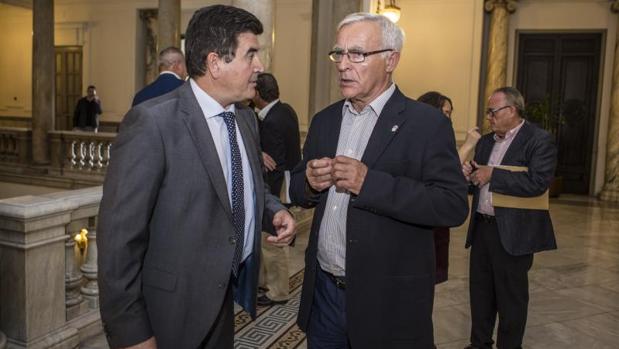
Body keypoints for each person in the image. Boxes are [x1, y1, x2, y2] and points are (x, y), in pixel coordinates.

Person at [97, 5, 296, 349]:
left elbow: (248, 184)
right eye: (252, 54)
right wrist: (132, 333)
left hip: (223, 301)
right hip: (170, 313)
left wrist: (273, 211)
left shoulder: (246, 119)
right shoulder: (153, 123)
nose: (260, 67)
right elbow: (118, 241)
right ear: (215, 62)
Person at [290, 13, 469, 348]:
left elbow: (452, 205)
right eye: (338, 53)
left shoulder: (426, 124)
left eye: (357, 54)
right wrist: (310, 183)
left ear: (391, 60)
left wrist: (369, 183)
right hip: (325, 295)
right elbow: (300, 186)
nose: (343, 65)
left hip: (389, 301)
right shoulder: (325, 120)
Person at [462, 87, 557, 349]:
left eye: (493, 111)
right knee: (480, 294)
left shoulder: (539, 140)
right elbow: (479, 181)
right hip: (482, 227)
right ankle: (478, 344)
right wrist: (472, 175)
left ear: (512, 110)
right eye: (488, 112)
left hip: (514, 233)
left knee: (511, 298)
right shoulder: (485, 142)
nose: (489, 117)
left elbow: (537, 182)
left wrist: (493, 174)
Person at [418, 90, 482, 284]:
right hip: (422, 215)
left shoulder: (438, 136)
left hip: (437, 217)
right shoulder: (418, 136)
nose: (449, 118)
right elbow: (445, 170)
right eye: (445, 112)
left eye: (450, 113)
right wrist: (469, 144)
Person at [253, 72, 301, 306]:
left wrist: (269, 202)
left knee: (272, 242)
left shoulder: (270, 121)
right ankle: (267, 283)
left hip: (276, 187)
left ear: (257, 94)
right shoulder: (286, 110)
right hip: (287, 184)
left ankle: (277, 291)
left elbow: (274, 165)